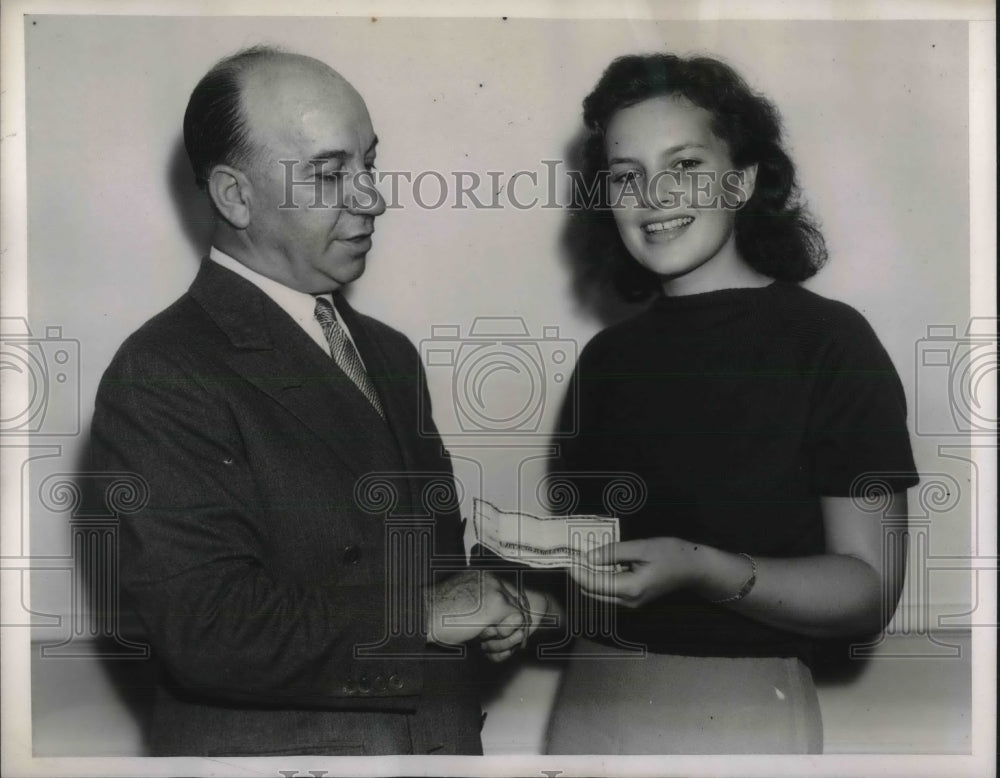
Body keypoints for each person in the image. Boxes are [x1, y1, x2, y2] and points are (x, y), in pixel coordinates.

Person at [86, 45, 526, 756]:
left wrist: (500, 597)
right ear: (235, 196)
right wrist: (423, 618)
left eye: (369, 165)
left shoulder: (389, 353)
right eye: (330, 174)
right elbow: (203, 630)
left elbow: (426, 560)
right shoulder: (161, 371)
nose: (372, 198)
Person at [539, 53, 920, 754]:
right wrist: (525, 595)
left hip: (745, 709)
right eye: (627, 176)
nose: (653, 195)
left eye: (683, 165)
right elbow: (598, 575)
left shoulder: (830, 343)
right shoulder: (606, 361)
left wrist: (704, 569)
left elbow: (868, 592)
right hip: (592, 699)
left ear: (742, 180)